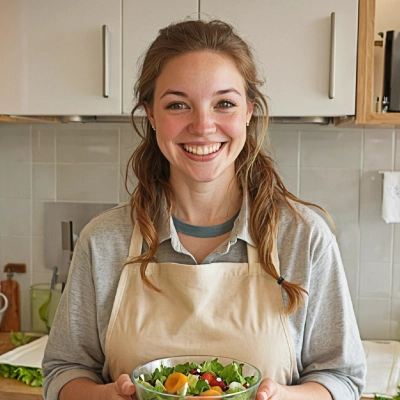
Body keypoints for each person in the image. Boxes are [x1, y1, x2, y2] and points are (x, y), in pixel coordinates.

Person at [42, 19, 367, 400]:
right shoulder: (103, 242)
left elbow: (342, 380)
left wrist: (283, 397)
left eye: (224, 103)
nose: (202, 125)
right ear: (150, 114)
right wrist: (105, 396)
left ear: (249, 110)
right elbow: (63, 373)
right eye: (178, 105)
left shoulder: (304, 238)